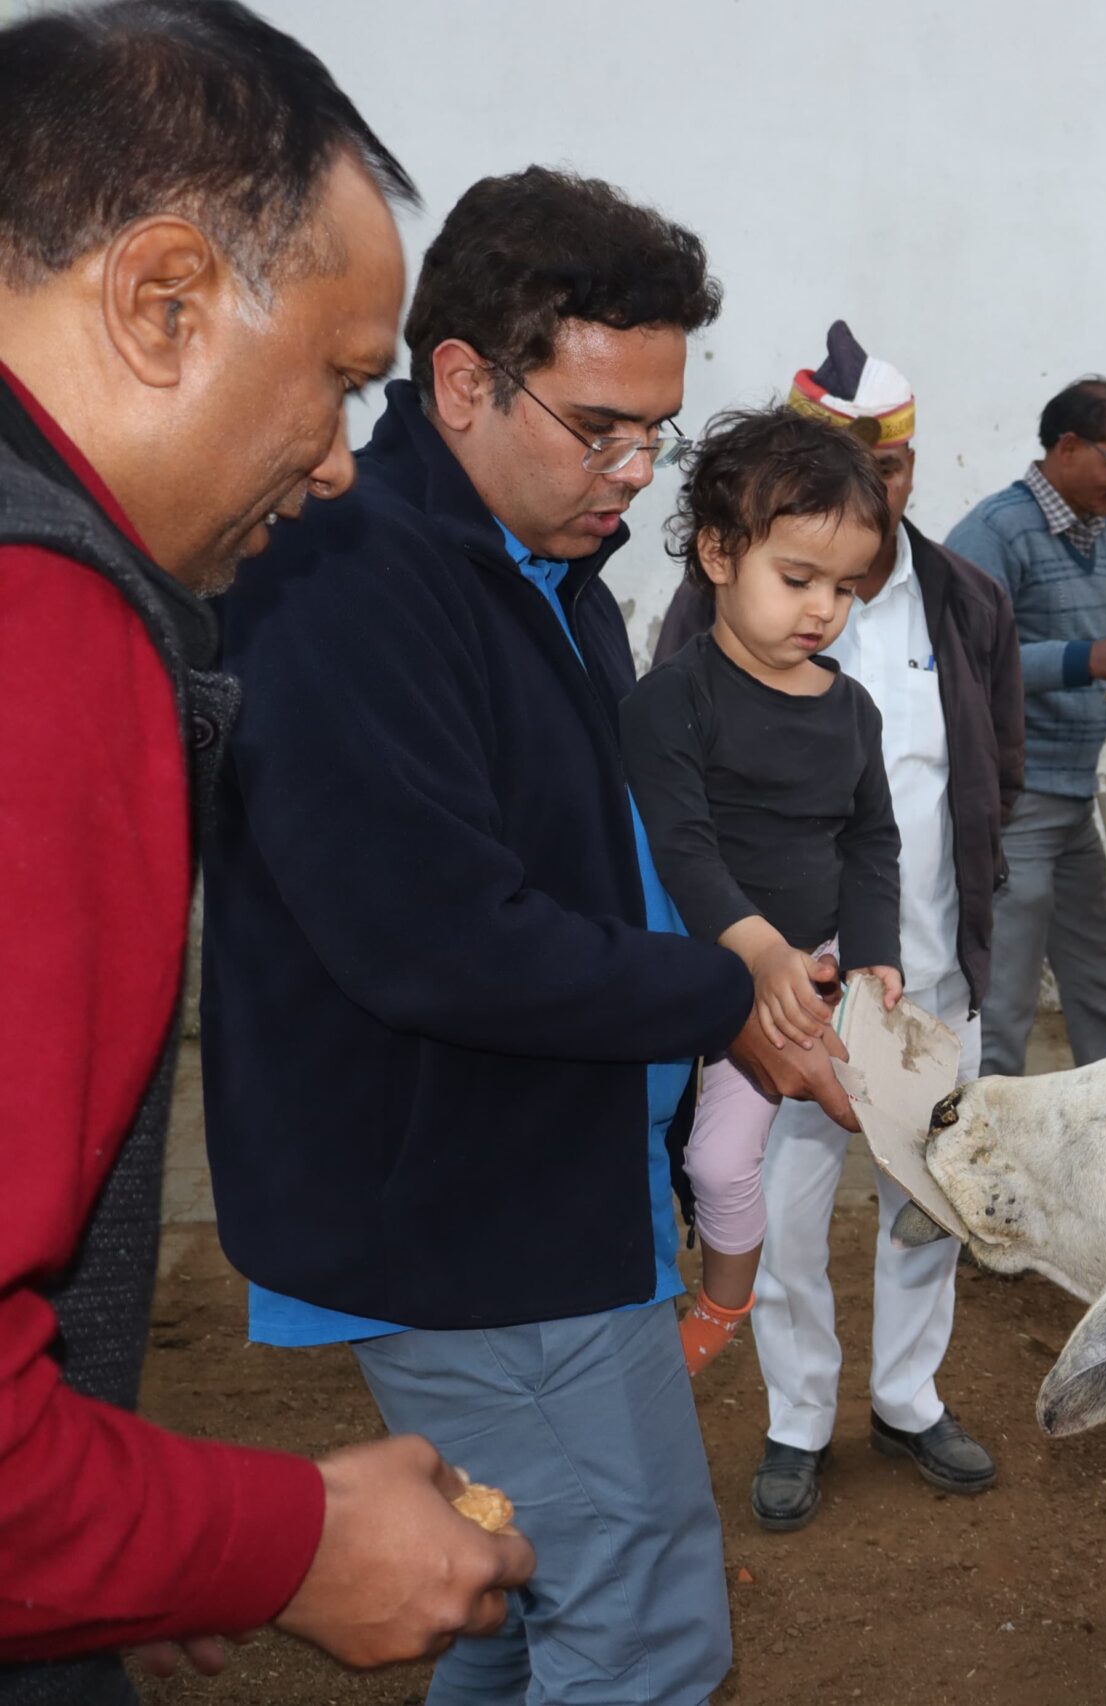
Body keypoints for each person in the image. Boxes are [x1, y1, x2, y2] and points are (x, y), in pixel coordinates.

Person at [201, 167, 847, 1705]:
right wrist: (717, 992)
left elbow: (579, 864)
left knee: (502, 1612)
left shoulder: (537, 572)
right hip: (476, 1228)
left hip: (549, 1182)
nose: (635, 469)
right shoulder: (344, 580)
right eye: (600, 426)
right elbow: (439, 936)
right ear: (464, 381)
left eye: (656, 430)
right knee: (643, 1635)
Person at [0, 3, 531, 1695]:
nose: (333, 466)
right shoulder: (48, 629)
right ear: (164, 303)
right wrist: (274, 1539)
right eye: (337, 381)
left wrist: (118, 1553)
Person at [655, 322, 1019, 1517]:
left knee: (928, 1196)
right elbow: (681, 816)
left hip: (915, 970)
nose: (823, 603)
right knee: (787, 1203)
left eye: (890, 463)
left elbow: (987, 768)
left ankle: (909, 1397)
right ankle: (798, 1415)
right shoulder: (708, 636)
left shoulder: (963, 599)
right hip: (783, 981)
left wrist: (906, 948)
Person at [623, 405, 905, 1376]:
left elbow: (872, 840)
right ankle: (686, 1286)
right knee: (673, 1157)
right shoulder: (670, 698)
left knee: (722, 1159)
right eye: (796, 578)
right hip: (696, 972)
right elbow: (682, 845)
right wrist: (752, 945)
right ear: (716, 553)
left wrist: (872, 959)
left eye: (843, 587)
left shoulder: (851, 710)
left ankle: (722, 1301)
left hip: (806, 982)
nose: (821, 608)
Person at [949, 376, 1106, 1075]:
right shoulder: (993, 534)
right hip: (1015, 799)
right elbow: (967, 660)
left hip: (1074, 798)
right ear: (1068, 446)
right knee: (1006, 992)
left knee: (1101, 979)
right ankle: (982, 1141)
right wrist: (1087, 659)